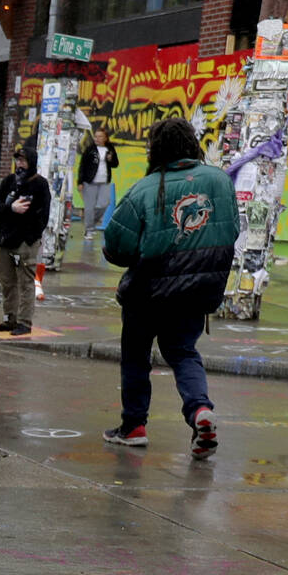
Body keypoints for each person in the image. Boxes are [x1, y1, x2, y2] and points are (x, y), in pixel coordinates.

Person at [100, 116, 236, 453]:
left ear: (156, 150)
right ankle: (200, 410)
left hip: (148, 292)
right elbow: (231, 230)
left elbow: (117, 245)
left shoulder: (145, 189)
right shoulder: (219, 181)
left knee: (136, 357)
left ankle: (133, 426)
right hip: (196, 292)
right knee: (183, 352)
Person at [0, 145, 50, 335]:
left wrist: (31, 238)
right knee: (7, 282)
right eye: (18, 160)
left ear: (31, 163)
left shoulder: (39, 184)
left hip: (25, 242)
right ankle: (9, 318)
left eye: (23, 161)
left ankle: (24, 321)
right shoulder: (9, 181)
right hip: (5, 240)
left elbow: (43, 215)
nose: (20, 164)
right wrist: (10, 207)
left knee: (26, 282)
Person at [79, 125, 120, 240]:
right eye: (96, 136)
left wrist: (111, 160)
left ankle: (91, 224)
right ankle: (88, 230)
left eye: (100, 136)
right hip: (90, 181)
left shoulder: (110, 148)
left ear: (105, 138)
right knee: (89, 207)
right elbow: (83, 165)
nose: (97, 139)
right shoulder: (90, 149)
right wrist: (80, 181)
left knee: (104, 204)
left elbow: (116, 164)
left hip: (104, 181)